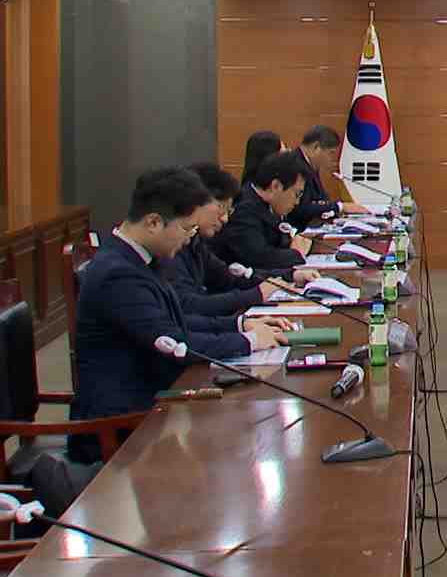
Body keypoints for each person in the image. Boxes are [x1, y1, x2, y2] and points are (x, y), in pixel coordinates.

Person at [70, 168, 290, 461]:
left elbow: (176, 321)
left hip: (157, 399)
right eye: (187, 229)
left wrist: (240, 325)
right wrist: (248, 342)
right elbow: (176, 344)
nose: (188, 240)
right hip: (123, 424)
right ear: (153, 222)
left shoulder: (141, 259)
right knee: (240, 441)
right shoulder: (118, 273)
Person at [166, 163, 319, 317]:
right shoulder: (171, 249)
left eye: (228, 211)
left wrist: (290, 275)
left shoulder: (195, 242)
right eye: (221, 207)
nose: (225, 219)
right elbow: (188, 305)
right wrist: (254, 297)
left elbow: (229, 278)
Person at [211, 150, 313, 270]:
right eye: (297, 194)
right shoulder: (243, 210)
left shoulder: (265, 204)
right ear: (276, 186)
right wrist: (296, 253)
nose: (297, 202)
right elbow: (259, 258)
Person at [289, 124, 369, 228]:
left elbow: (320, 200)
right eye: (331, 153)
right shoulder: (295, 165)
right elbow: (300, 208)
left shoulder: (310, 164)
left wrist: (336, 210)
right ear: (316, 147)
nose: (334, 159)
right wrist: (340, 207)